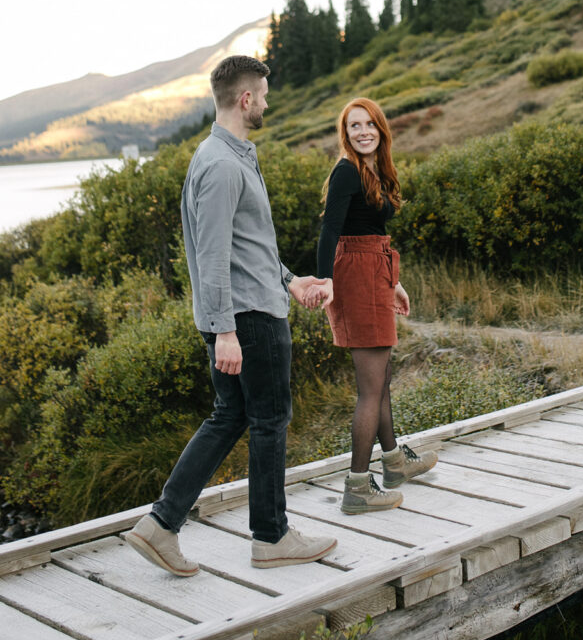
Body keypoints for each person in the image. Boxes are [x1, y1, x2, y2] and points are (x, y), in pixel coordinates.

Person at [126, 55, 336, 574]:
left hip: (246, 309)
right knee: (270, 420)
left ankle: (160, 525)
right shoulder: (221, 165)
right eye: (262, 94)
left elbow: (248, 246)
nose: (266, 102)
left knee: (231, 416)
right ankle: (272, 537)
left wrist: (291, 280)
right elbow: (213, 254)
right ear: (245, 99)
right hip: (247, 320)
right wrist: (225, 332)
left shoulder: (226, 154)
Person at [311, 97, 437, 514]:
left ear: (381, 129)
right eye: (353, 127)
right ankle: (358, 487)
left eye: (369, 124)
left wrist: (394, 283)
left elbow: (369, 230)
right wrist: (327, 280)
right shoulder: (347, 171)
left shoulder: (373, 171)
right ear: (345, 136)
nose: (362, 131)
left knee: (380, 380)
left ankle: (395, 464)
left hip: (373, 271)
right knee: (371, 388)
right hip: (357, 276)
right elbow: (330, 231)